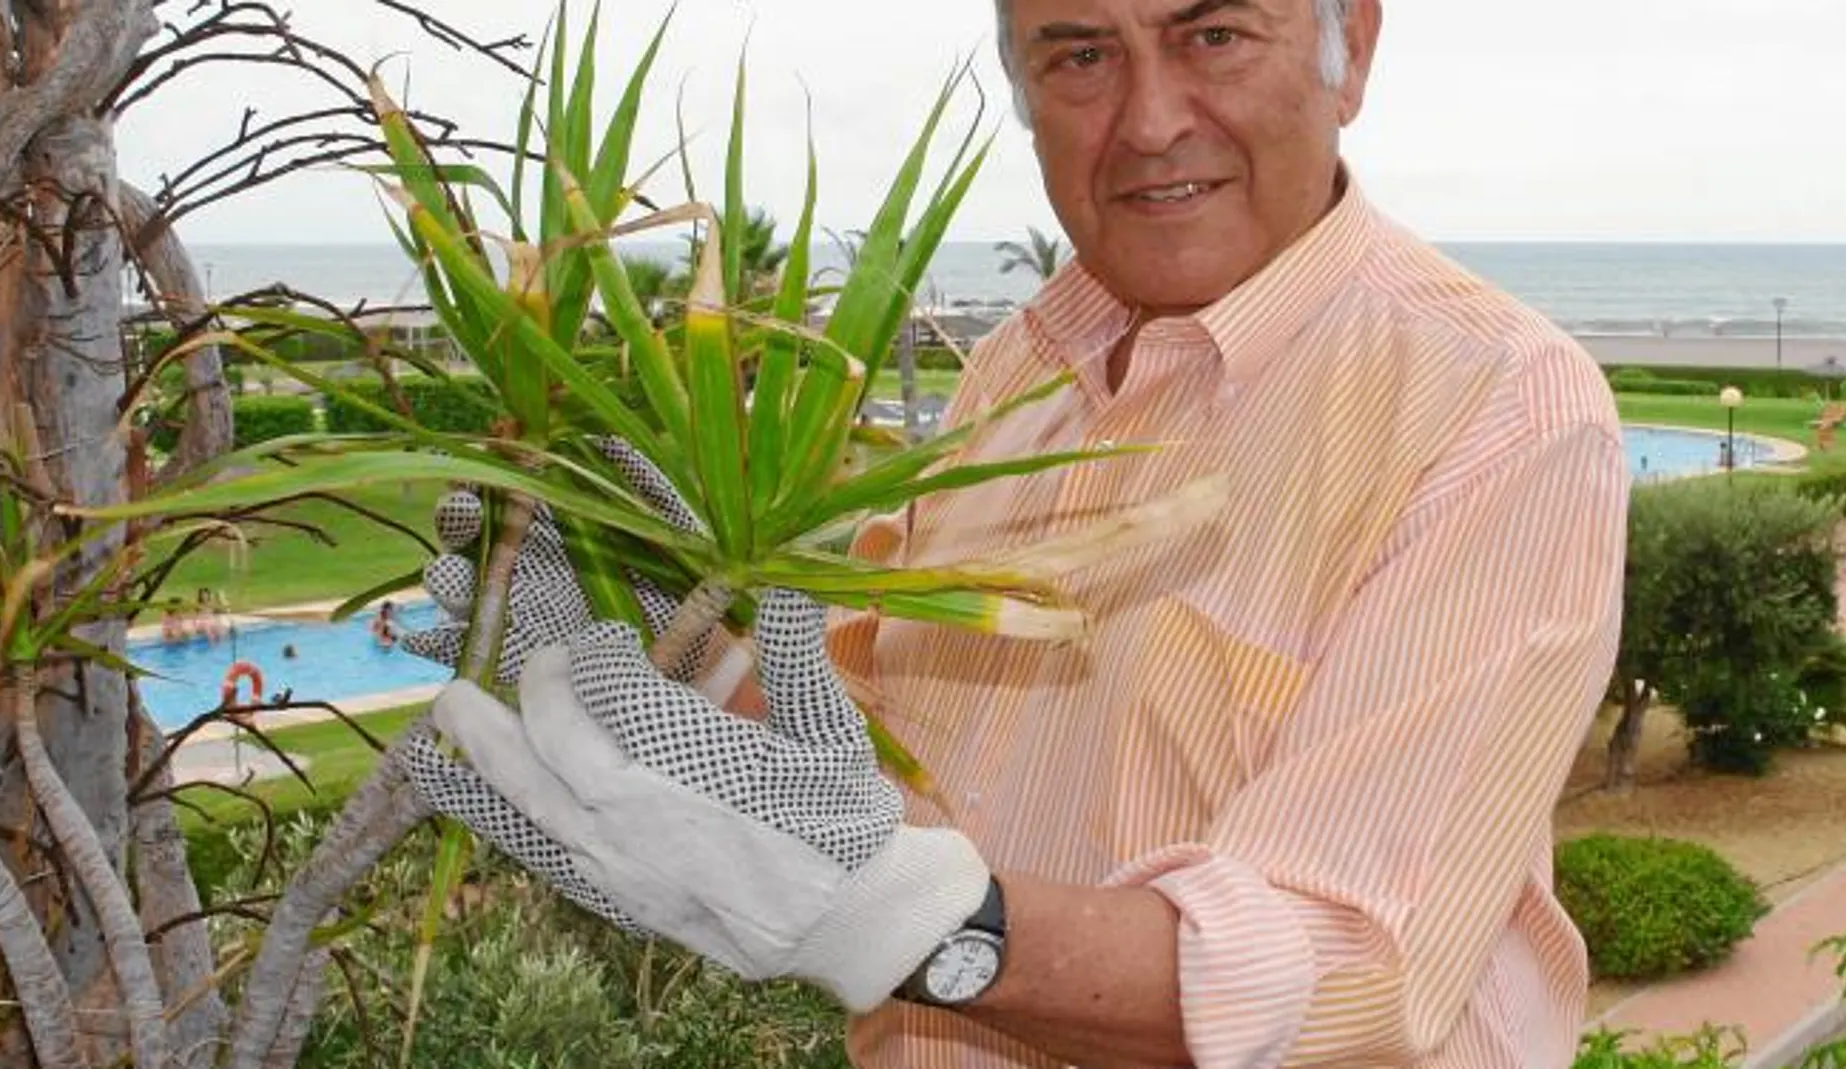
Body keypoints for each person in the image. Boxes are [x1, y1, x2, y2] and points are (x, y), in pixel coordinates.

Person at [397, 1, 1630, 1067]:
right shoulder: (1013, 374)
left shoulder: (1499, 406)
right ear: (1024, 92)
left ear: (1346, 46)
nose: (1150, 119)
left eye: (1212, 34)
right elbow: (876, 769)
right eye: (1079, 53)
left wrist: (911, 925)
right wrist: (680, 629)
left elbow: (1342, 961)